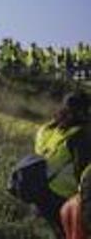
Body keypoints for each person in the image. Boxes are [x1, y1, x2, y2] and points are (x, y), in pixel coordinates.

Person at [34, 91, 91, 236]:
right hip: (62, 196)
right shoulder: (79, 137)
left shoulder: (47, 130)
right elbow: (83, 174)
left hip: (38, 190)